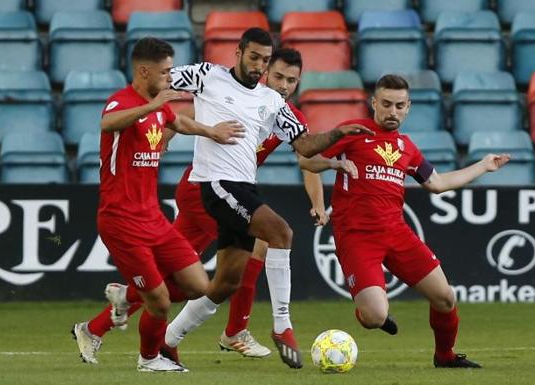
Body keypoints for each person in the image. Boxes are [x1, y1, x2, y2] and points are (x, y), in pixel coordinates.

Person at [72, 47, 356, 366]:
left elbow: (306, 158)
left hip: (208, 190)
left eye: (291, 80)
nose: (283, 85)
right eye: (277, 76)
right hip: (205, 187)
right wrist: (162, 133)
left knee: (175, 278)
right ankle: (236, 331)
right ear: (264, 72)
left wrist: (325, 182)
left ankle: (96, 327)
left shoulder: (282, 114)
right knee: (262, 243)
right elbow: (193, 109)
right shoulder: (234, 92)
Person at [163, 27, 372, 369]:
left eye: (264, 60)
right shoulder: (208, 75)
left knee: (225, 282)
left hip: (245, 186)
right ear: (240, 52)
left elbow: (304, 147)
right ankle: (282, 326)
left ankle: (167, 341)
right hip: (215, 183)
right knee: (280, 233)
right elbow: (161, 81)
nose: (259, 66)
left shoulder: (271, 102)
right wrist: (163, 124)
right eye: (255, 57)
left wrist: (337, 134)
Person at [71, 37, 243, 372]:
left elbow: (178, 122)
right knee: (160, 301)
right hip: (120, 219)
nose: (170, 78)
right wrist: (153, 106)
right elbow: (107, 123)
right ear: (144, 70)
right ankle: (150, 359)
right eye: (164, 72)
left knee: (198, 286)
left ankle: (125, 296)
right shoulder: (121, 101)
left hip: (153, 217)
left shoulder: (159, 106)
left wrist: (212, 132)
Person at [321, 74, 510, 369]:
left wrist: (483, 166)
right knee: (374, 318)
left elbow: (436, 182)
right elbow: (310, 159)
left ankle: (445, 356)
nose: (392, 111)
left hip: (397, 234)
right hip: (357, 237)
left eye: (399, 105)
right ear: (374, 103)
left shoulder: (407, 147)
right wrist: (320, 198)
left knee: (445, 297)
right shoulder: (352, 133)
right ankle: (371, 312)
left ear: (408, 107)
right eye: (386, 104)